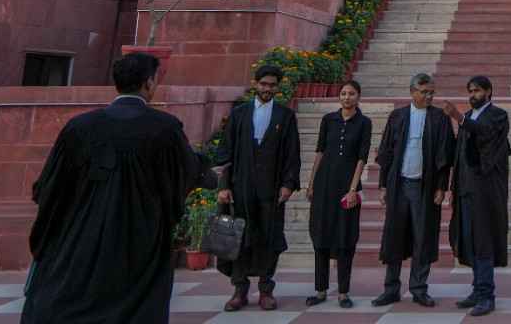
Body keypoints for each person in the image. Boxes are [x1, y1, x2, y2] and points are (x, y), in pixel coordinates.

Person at [21, 52, 210, 324]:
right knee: (135, 303)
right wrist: (205, 171)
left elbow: (51, 185)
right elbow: (185, 172)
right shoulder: (163, 128)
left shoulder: (80, 126)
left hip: (81, 231)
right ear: (148, 83)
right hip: (138, 234)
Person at [214, 64, 302, 313]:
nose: (267, 89)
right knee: (239, 238)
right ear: (255, 84)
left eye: (272, 85)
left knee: (269, 238)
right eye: (264, 84)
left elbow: (292, 154)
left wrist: (288, 184)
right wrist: (223, 186)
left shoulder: (285, 116)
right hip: (240, 188)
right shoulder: (239, 114)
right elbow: (225, 151)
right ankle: (239, 289)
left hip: (271, 190)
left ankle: (265, 289)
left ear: (278, 87)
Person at [372, 72, 455, 308]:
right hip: (398, 185)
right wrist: (383, 185)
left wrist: (441, 186)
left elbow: (444, 155)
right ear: (412, 92)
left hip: (425, 187)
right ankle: (391, 289)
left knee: (423, 237)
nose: (429, 96)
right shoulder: (397, 116)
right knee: (394, 236)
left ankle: (419, 288)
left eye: (432, 92)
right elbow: (386, 153)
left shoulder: (439, 118)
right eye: (424, 92)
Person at [444, 76, 511, 317]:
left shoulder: (498, 116)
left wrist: (459, 118)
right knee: (469, 241)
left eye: (477, 91)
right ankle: (476, 289)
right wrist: (453, 188)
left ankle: (486, 295)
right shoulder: (469, 117)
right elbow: (459, 156)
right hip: (465, 190)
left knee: (483, 241)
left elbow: (487, 134)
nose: (473, 95)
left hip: (485, 192)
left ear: (489, 91)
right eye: (470, 91)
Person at [305, 80, 373, 308]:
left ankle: (343, 292)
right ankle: (320, 290)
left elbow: (362, 158)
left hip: (347, 188)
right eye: (343, 93)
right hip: (323, 186)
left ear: (358, 96)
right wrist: (311, 183)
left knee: (345, 239)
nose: (346, 97)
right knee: (320, 237)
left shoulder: (364, 123)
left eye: (351, 93)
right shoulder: (328, 120)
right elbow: (320, 152)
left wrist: (353, 190)